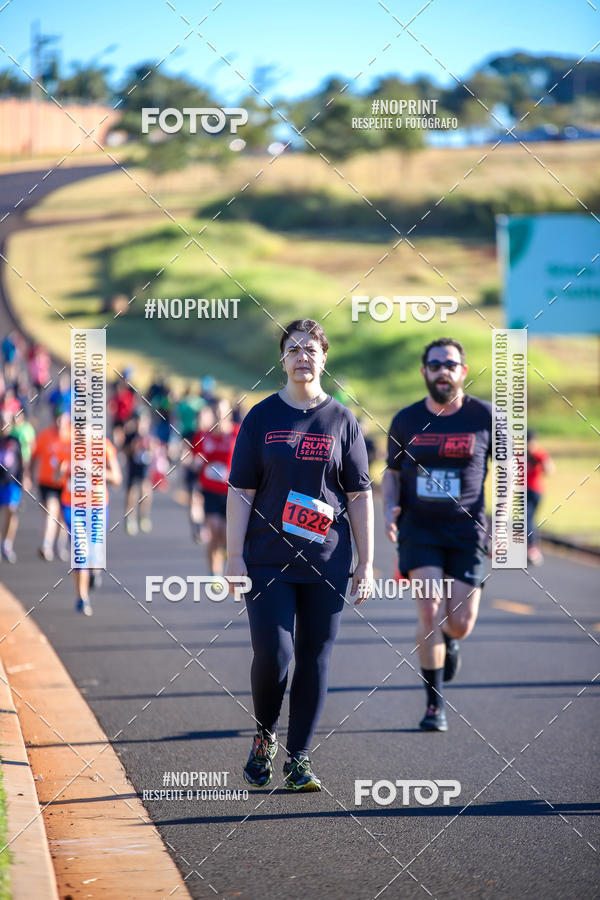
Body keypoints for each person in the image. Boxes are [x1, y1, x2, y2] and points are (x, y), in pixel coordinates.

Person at [226, 318, 373, 791]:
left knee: (314, 656)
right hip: (267, 558)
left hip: (327, 559)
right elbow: (240, 490)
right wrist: (232, 555)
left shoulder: (342, 421)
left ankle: (300, 757)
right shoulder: (262, 418)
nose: (302, 356)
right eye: (293, 349)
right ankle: (264, 735)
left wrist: (366, 562)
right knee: (275, 653)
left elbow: (359, 495)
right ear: (282, 358)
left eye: (311, 349)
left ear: (324, 358)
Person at [383, 337, 492, 733]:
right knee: (428, 611)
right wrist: (388, 511)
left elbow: (510, 476)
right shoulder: (406, 420)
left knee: (459, 623)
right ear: (424, 371)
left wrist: (504, 522)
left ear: (462, 371)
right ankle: (435, 705)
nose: (442, 371)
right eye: (435, 365)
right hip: (421, 528)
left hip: (468, 530)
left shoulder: (486, 417)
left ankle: (453, 640)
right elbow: (392, 475)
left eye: (450, 364)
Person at [58, 436, 122, 615]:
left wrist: (92, 470)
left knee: (94, 553)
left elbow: (117, 478)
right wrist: (61, 470)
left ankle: (94, 572)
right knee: (80, 550)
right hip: (72, 505)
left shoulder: (103, 446)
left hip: (96, 507)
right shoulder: (67, 446)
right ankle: (82, 597)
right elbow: (55, 476)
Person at [193, 399, 239, 574]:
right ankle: (214, 574)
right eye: (217, 412)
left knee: (226, 535)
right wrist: (194, 464)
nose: (221, 415)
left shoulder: (237, 433)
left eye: (224, 411)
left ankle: (225, 554)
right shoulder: (204, 435)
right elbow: (194, 456)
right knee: (213, 529)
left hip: (231, 492)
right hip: (210, 489)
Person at [31, 409, 72, 561]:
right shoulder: (44, 435)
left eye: (63, 419)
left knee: (63, 517)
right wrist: (28, 474)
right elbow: (34, 456)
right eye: (57, 418)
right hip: (47, 482)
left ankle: (60, 546)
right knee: (51, 511)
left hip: (66, 483)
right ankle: (46, 545)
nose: (60, 422)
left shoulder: (73, 436)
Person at [123, 412, 156, 534]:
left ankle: (144, 516)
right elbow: (124, 452)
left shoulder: (150, 436)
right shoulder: (131, 436)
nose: (141, 425)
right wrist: (132, 447)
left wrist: (151, 448)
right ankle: (130, 518)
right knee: (132, 493)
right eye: (139, 422)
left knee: (146, 491)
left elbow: (155, 452)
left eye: (144, 422)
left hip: (145, 468)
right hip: (133, 467)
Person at [0, 407, 24, 563]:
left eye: (6, 421)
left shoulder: (15, 440)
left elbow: (21, 461)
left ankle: (7, 544)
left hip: (12, 482)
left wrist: (24, 479)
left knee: (11, 510)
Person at [526, 430, 554, 566]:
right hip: (522, 490)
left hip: (535, 490)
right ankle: (530, 547)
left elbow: (550, 470)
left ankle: (532, 548)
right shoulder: (520, 453)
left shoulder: (539, 453)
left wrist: (540, 462)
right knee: (527, 518)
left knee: (529, 518)